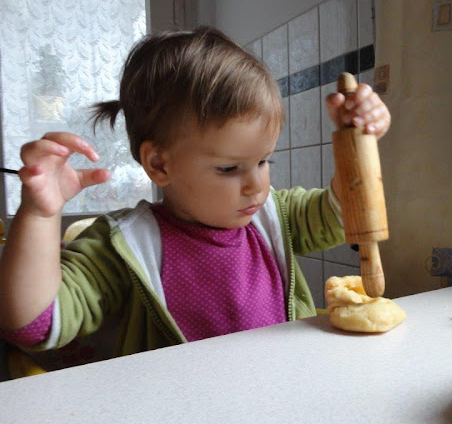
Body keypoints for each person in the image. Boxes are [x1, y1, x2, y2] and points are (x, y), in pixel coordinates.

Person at [0, 26, 391, 363]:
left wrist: (358, 140)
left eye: (263, 161)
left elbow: (344, 211)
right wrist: (39, 214)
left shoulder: (276, 217)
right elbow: (34, 325)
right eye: (229, 169)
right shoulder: (123, 246)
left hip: (280, 401)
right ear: (159, 164)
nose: (256, 184)